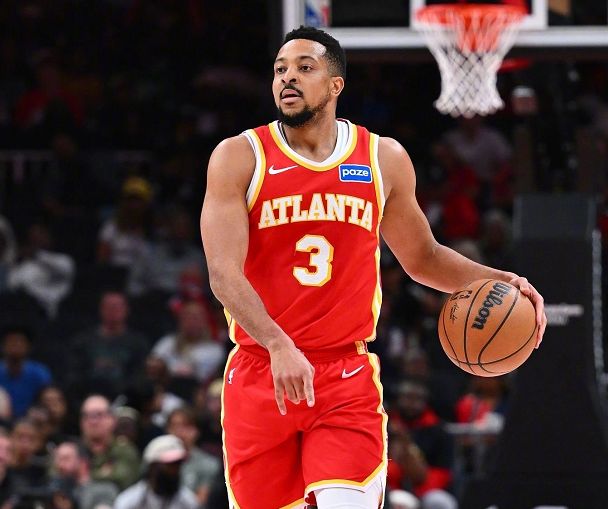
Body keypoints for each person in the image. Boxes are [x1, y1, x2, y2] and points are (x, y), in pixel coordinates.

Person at [200, 26, 547, 509]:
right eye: (280, 69)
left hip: (344, 374)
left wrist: (499, 280)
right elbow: (223, 273)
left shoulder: (382, 158)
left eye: (304, 67)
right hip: (262, 369)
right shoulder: (239, 157)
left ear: (335, 84)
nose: (287, 78)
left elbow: (422, 258)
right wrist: (278, 344)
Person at [113, 434, 198, 509]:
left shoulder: (188, 502)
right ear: (152, 467)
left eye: (177, 464)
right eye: (169, 465)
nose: (174, 470)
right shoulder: (129, 502)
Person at [79, 395, 140, 491]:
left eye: (99, 415)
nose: (93, 422)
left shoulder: (124, 451)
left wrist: (88, 477)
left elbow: (123, 479)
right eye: (87, 416)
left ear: (112, 420)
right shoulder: (74, 451)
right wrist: (103, 473)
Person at [50, 440, 119, 509]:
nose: (59, 465)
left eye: (65, 459)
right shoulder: (55, 489)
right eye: (58, 459)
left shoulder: (102, 490)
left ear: (83, 462)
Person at [0, 327, 52, 418]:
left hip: (31, 421)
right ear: (3, 347)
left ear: (28, 347)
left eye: (20, 342)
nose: (16, 345)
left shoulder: (39, 373)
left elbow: (48, 401)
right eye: (11, 342)